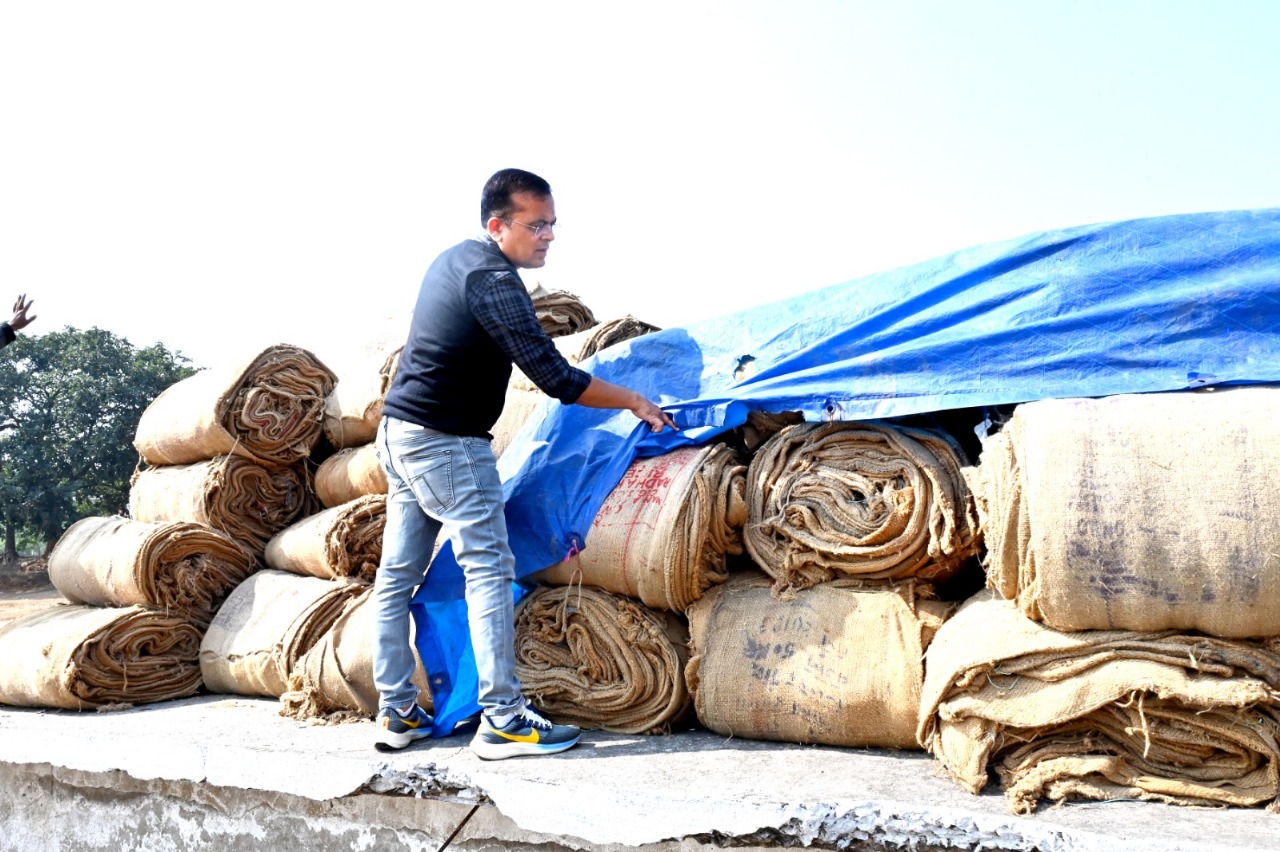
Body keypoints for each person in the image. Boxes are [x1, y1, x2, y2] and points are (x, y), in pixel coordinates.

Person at [372, 168, 677, 759]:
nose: (548, 237)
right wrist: (635, 399)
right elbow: (556, 378)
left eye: (552, 224)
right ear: (497, 224)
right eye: (536, 225)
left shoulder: (454, 259)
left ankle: (397, 711)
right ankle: (504, 719)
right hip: (445, 444)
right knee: (489, 570)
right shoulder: (494, 280)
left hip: (400, 432)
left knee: (395, 579)